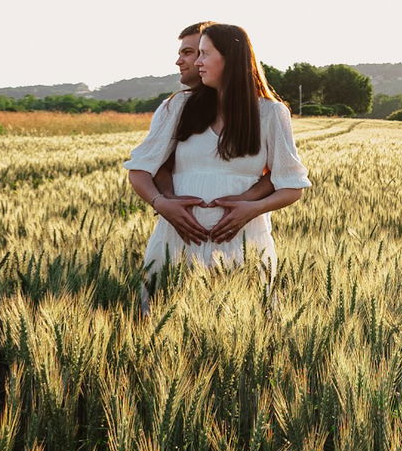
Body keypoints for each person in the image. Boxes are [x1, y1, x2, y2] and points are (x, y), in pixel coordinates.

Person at [125, 23, 310, 303]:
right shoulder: (178, 107)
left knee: (245, 327)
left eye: (204, 54)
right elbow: (139, 170)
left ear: (230, 58)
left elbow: (291, 186)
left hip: (243, 242)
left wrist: (251, 208)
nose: (197, 62)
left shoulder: (270, 113)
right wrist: (163, 204)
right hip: (178, 239)